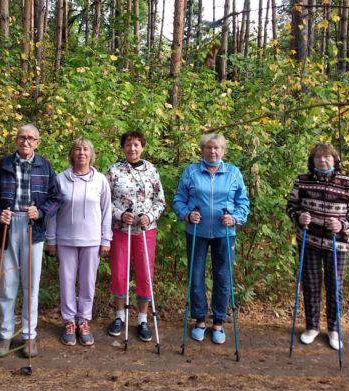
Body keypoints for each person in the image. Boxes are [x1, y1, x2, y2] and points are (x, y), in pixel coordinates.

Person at [0, 124, 60, 358]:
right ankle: (6, 334)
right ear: (15, 140)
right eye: (21, 138)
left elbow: (55, 197)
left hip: (32, 228)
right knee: (8, 285)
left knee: (30, 285)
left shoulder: (45, 166)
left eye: (30, 138)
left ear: (38, 142)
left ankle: (29, 335)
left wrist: (40, 212)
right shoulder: (3, 165)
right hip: (7, 226)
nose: (25, 142)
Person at [173, 133, 250, 345]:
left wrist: (235, 218)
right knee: (195, 274)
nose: (213, 152)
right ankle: (199, 319)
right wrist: (187, 214)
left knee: (223, 276)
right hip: (196, 231)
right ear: (202, 150)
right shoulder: (191, 171)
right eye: (208, 148)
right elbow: (179, 199)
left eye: (217, 148)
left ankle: (218, 321)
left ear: (223, 151)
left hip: (224, 232)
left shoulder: (233, 173)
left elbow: (243, 201)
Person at [286, 142, 349, 350]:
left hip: (337, 244)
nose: (323, 160)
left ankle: (334, 330)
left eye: (327, 157)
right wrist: (299, 217)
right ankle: (312, 327)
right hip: (308, 240)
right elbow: (291, 206)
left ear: (335, 160)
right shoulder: (302, 181)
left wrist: (342, 223)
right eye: (318, 157)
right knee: (310, 284)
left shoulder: (347, 183)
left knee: (334, 286)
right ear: (312, 161)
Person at [46, 138, 112, 346]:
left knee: (88, 282)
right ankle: (69, 321)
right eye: (77, 149)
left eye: (85, 150)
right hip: (65, 239)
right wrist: (51, 239)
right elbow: (52, 213)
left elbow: (107, 211)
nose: (81, 153)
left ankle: (83, 320)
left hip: (92, 240)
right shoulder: (60, 179)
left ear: (91, 155)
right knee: (66, 281)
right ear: (72, 154)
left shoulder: (100, 180)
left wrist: (106, 239)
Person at [106, 131, 165, 343]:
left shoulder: (152, 170)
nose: (132, 148)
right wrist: (121, 214)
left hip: (145, 230)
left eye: (137, 144)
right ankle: (119, 316)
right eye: (129, 145)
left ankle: (142, 319)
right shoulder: (113, 171)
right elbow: (104, 202)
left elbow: (160, 201)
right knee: (120, 272)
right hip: (121, 229)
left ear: (142, 147)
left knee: (145, 273)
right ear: (123, 147)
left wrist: (149, 216)